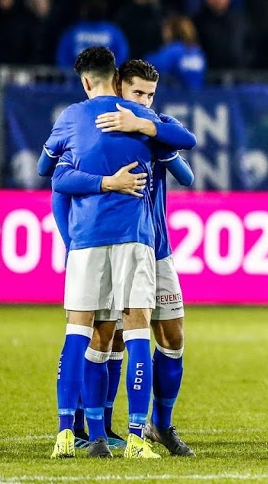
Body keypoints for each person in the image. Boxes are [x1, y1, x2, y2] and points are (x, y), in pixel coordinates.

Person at [44, 59, 197, 456]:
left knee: (173, 335)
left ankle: (159, 425)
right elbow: (59, 187)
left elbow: (187, 172)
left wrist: (147, 127)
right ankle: (96, 427)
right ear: (117, 87)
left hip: (155, 246)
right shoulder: (96, 124)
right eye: (137, 93)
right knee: (108, 335)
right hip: (120, 238)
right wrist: (70, 240)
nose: (144, 100)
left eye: (150, 95)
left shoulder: (149, 125)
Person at [146, 16, 206, 90]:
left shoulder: (174, 50)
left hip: (175, 96)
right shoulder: (197, 51)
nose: (163, 33)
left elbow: (151, 65)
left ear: (172, 31)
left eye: (165, 29)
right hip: (197, 97)